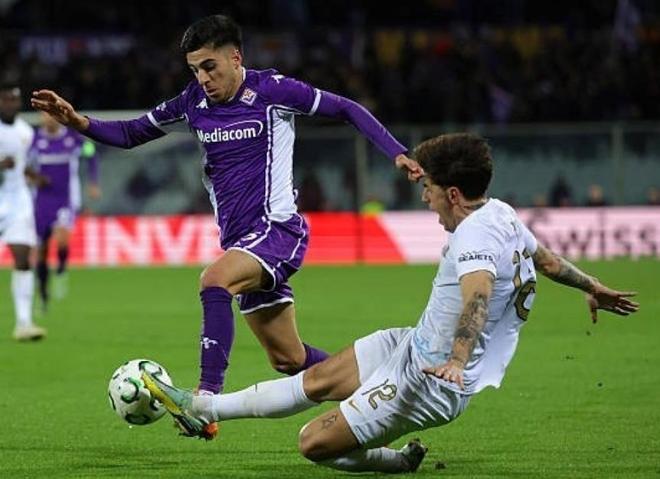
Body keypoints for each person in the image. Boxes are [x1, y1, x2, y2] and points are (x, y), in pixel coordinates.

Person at [143, 133, 639, 473]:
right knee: (318, 379)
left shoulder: (474, 237)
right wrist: (592, 285)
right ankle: (203, 405)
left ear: (452, 193)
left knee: (312, 443)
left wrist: (456, 360)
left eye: (428, 190)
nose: (424, 199)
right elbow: (547, 261)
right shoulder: (501, 213)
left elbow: (479, 294)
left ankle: (395, 461)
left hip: (429, 381)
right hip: (413, 345)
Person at [31, 14, 423, 439]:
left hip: (277, 230)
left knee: (214, 280)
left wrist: (397, 152)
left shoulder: (272, 91)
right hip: (241, 243)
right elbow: (131, 133)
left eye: (209, 67)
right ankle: (390, 392)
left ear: (235, 58)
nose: (202, 78)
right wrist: (78, 121)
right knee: (289, 359)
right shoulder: (192, 102)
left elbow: (345, 108)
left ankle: (205, 399)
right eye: (194, 70)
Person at [29, 111, 101, 312]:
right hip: (41, 200)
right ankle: (43, 292)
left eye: (50, 115)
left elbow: (91, 152)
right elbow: (24, 167)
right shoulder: (34, 140)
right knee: (41, 250)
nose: (47, 119)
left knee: (62, 240)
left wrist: (94, 181)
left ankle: (61, 269)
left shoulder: (72, 138)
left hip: (65, 199)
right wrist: (34, 178)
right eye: (44, 115)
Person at [0, 83, 47, 341]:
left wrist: (34, 176)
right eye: (6, 99)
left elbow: (23, 165)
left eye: (14, 100)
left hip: (17, 200)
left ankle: (24, 323)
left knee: (22, 257)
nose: (10, 104)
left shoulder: (26, 132)